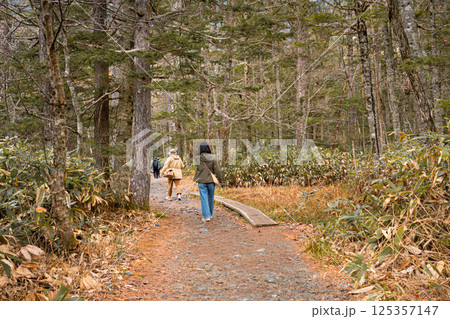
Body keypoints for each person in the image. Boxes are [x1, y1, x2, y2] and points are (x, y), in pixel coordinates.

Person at [193, 141, 223, 222]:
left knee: (204, 198)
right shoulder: (213, 157)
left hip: (201, 181)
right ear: (208, 148)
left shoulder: (197, 158)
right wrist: (220, 180)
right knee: (211, 197)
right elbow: (218, 170)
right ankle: (210, 214)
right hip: (211, 181)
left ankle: (207, 216)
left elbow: (198, 168)